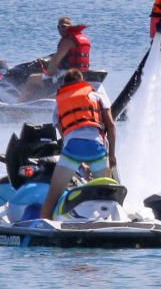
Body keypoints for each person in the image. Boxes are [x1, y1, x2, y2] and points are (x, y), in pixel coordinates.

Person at [40, 69, 117, 219]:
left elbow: (66, 137)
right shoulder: (97, 96)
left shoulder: (59, 103)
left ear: (65, 85)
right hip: (97, 150)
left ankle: (42, 225)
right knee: (106, 197)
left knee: (52, 197)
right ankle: (109, 224)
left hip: (72, 150)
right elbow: (111, 126)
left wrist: (81, 163)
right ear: (82, 82)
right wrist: (112, 155)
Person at [19, 16, 92, 100]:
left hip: (67, 75)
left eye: (63, 26)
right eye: (59, 27)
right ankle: (37, 99)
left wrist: (49, 73)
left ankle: (19, 105)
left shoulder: (67, 41)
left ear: (70, 27)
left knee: (33, 78)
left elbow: (56, 60)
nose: (61, 29)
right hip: (80, 74)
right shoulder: (81, 38)